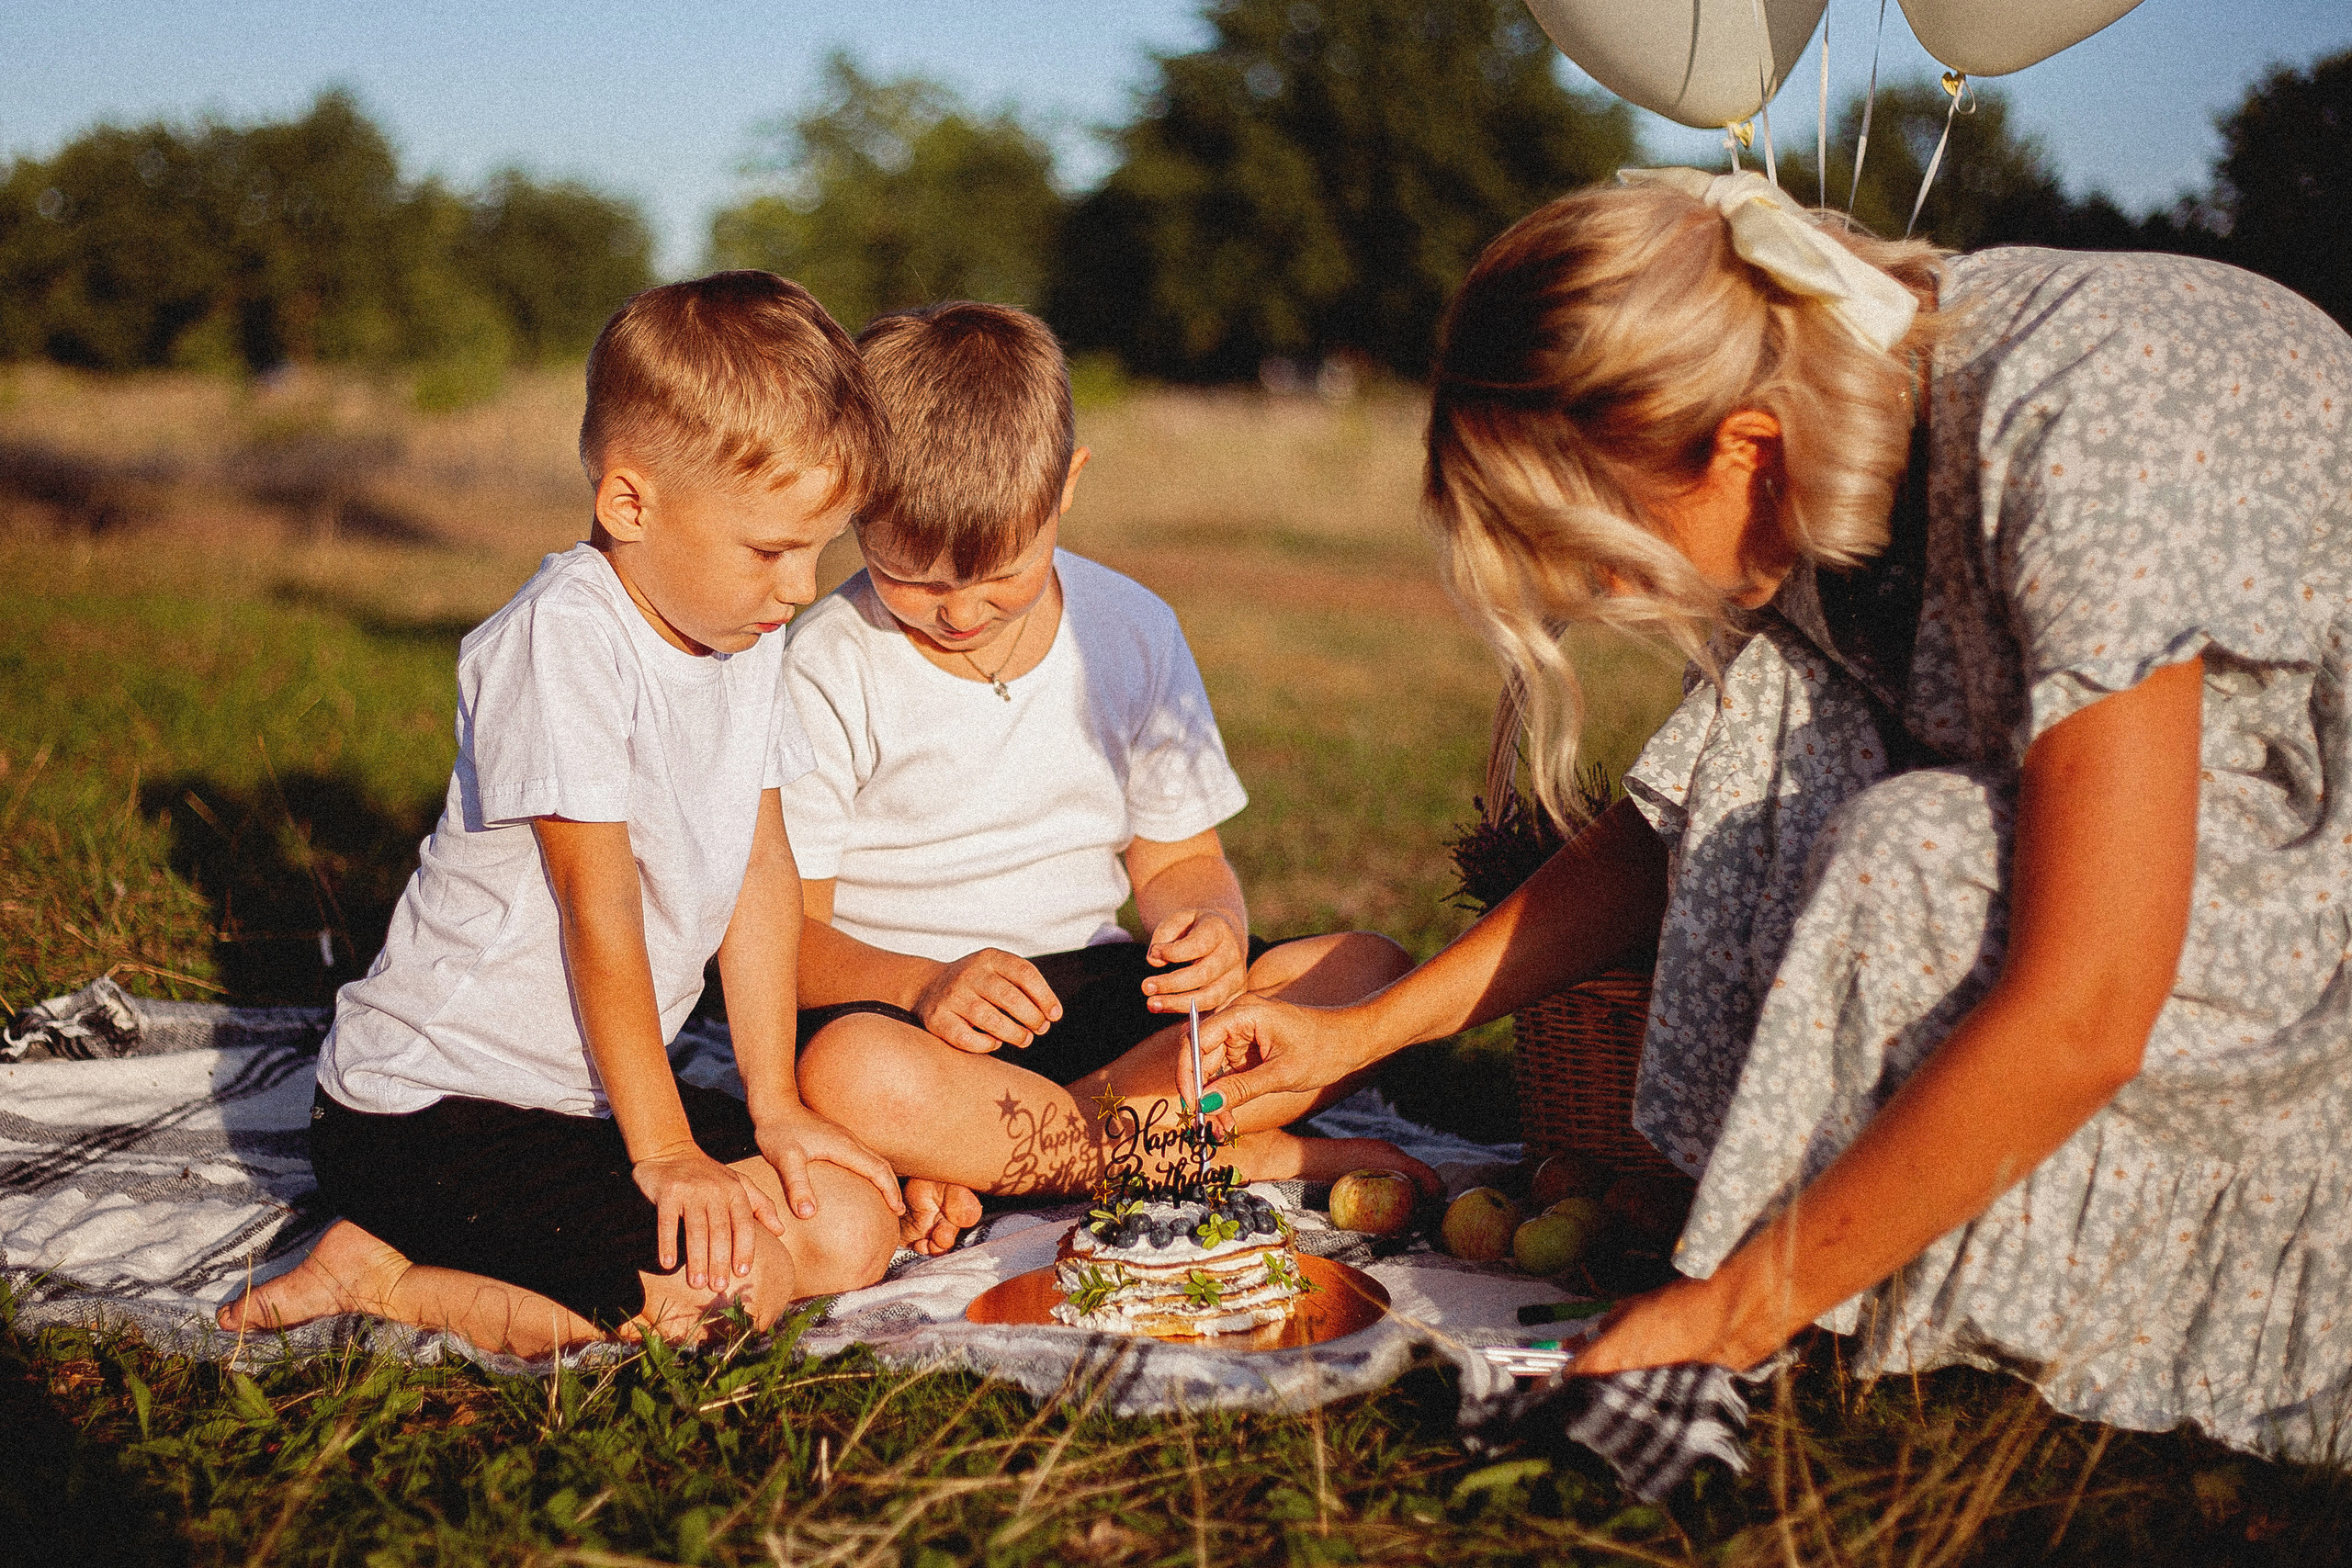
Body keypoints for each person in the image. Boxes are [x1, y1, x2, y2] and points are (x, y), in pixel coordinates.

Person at [1198, 169, 2352, 1460]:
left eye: (1605, 548)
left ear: (1743, 447)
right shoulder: (1815, 458)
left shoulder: (2087, 425)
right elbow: (1673, 832)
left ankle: (1931, 1281)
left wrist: (1732, 1314)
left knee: (1919, 852)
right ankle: (1844, 1242)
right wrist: (1358, 1033)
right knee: (1764, 747)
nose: (1606, 590)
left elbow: (2090, 998)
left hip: (2312, 871)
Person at [218, 273, 915, 1355]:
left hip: (586, 1101)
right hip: (429, 1114)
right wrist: (667, 1152)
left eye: (818, 550)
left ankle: (446, 1248)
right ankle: (383, 1275)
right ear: (631, 504)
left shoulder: (742, 636)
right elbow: (601, 909)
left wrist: (774, 1104)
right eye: (771, 549)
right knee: (719, 1301)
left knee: (855, 1226)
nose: (799, 588)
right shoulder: (563, 640)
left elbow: (760, 868)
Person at [786, 301, 1436, 1221]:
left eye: (999, 575)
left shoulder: (1128, 627)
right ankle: (1213, 1152)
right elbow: (787, 938)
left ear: (1065, 486)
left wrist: (1210, 929)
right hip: (912, 1017)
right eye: (914, 579)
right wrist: (920, 985)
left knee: (1370, 976)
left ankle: (1008, 1155)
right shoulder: (827, 661)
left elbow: (1178, 861)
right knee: (850, 1074)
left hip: (1095, 1009)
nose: (959, 612)